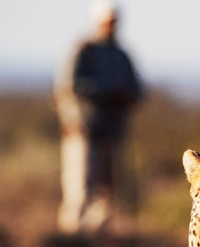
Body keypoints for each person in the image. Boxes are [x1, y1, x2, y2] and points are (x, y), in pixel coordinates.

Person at [54, 1, 142, 233]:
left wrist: (123, 97)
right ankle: (71, 246)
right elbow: (69, 85)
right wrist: (107, 92)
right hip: (83, 133)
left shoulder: (121, 55)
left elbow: (136, 89)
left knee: (108, 197)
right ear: (98, 22)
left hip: (113, 134)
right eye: (107, 22)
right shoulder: (84, 50)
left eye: (114, 22)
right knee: (80, 193)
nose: (111, 26)